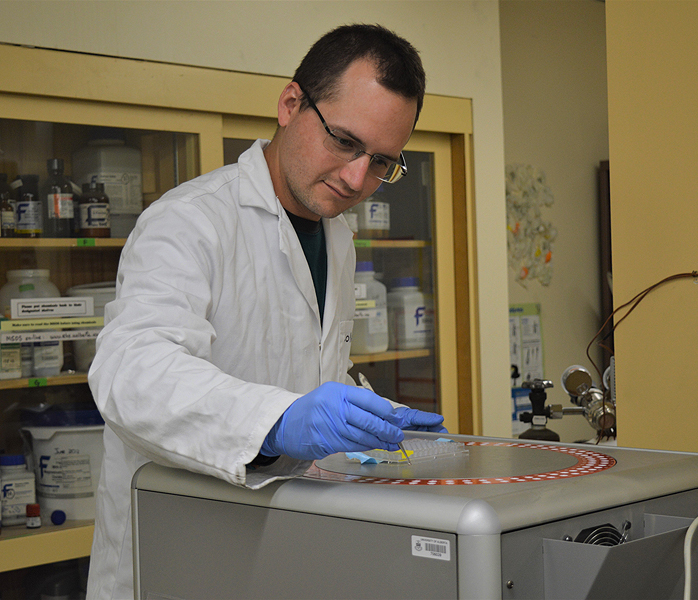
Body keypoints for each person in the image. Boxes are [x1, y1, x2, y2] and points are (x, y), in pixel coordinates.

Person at [86, 24, 444, 598]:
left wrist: (362, 415)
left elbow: (298, 360)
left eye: (382, 161)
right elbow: (133, 374)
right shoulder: (190, 221)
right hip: (176, 559)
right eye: (344, 142)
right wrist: (275, 421)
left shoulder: (337, 236)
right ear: (290, 104)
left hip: (280, 550)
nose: (357, 178)